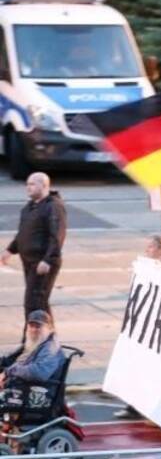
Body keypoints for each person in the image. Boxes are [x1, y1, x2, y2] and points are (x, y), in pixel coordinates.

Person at [1, 172, 67, 326]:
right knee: (40, 303)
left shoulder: (53, 206)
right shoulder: (29, 207)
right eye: (27, 184)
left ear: (44, 185)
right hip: (30, 262)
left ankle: (33, 341)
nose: (28, 188)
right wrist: (10, 250)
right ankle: (46, 340)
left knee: (33, 303)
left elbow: (57, 235)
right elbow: (23, 233)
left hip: (42, 263)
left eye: (32, 184)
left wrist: (48, 260)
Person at [0, 310, 66, 419]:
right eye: (31, 326)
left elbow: (39, 373)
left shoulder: (51, 349)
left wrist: (8, 372)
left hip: (34, 393)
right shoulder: (34, 343)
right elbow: (9, 360)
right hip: (19, 386)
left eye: (38, 326)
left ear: (49, 328)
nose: (34, 330)